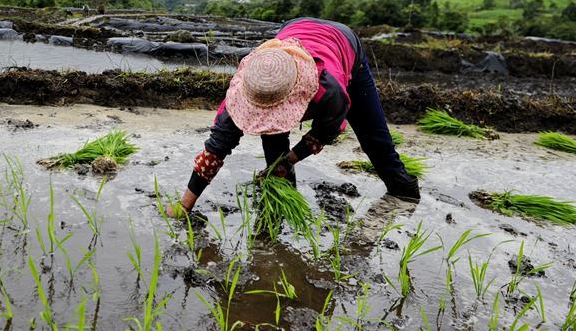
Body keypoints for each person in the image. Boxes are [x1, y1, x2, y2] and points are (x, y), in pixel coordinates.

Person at [171, 17, 420, 217]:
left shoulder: (328, 90)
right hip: (295, 28)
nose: (269, 117)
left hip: (343, 44)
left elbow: (325, 132)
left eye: (276, 110)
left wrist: (288, 160)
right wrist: (184, 206)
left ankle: (405, 195)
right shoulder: (249, 86)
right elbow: (216, 147)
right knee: (274, 145)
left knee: (375, 141)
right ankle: (279, 208)